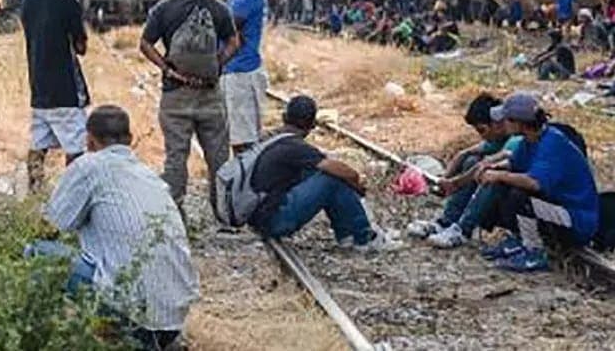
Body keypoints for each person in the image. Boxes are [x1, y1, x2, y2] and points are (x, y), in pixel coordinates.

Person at [34, 105, 199, 350]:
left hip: (130, 314)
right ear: (130, 140)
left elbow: (49, 228)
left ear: (89, 141)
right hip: (173, 318)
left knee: (37, 252)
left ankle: (48, 338)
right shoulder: (148, 174)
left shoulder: (87, 166)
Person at [140, 0, 238, 214]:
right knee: (217, 155)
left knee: (176, 156)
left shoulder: (163, 9)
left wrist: (166, 67)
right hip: (210, 93)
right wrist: (218, 63)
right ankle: (223, 210)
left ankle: (175, 209)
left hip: (176, 95)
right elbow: (233, 42)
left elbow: (145, 44)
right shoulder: (219, 9)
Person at [249, 96, 397, 251]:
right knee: (332, 178)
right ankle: (363, 237)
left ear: (284, 118)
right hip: (273, 222)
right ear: (312, 124)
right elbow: (345, 172)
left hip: (257, 217)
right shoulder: (295, 147)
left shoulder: (271, 139)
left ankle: (348, 235)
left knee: (323, 174)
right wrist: (356, 184)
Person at [474, 93, 598, 271]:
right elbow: (515, 163)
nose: (501, 124)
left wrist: (499, 175)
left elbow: (535, 182)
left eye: (506, 120)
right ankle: (517, 239)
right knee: (505, 183)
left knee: (520, 196)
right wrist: (491, 166)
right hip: (555, 207)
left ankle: (534, 252)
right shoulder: (530, 140)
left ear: (520, 123)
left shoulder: (552, 142)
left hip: (576, 218)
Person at [407, 94, 521, 247]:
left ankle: (463, 229)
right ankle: (447, 222)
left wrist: (454, 183)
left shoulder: (517, 140)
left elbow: (487, 166)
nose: (502, 124)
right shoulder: (502, 138)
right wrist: (444, 179)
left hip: (524, 202)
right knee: (472, 161)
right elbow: (466, 154)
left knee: (492, 177)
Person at [21, 0, 90, 192]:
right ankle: (73, 194)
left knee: (39, 144)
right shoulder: (69, 4)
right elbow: (80, 47)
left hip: (38, 88)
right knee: (75, 148)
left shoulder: (28, 1)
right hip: (66, 90)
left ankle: (34, 191)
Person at [223, 0, 269, 153]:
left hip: (240, 73)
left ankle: (244, 182)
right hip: (244, 69)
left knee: (242, 139)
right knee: (243, 134)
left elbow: (229, 30)